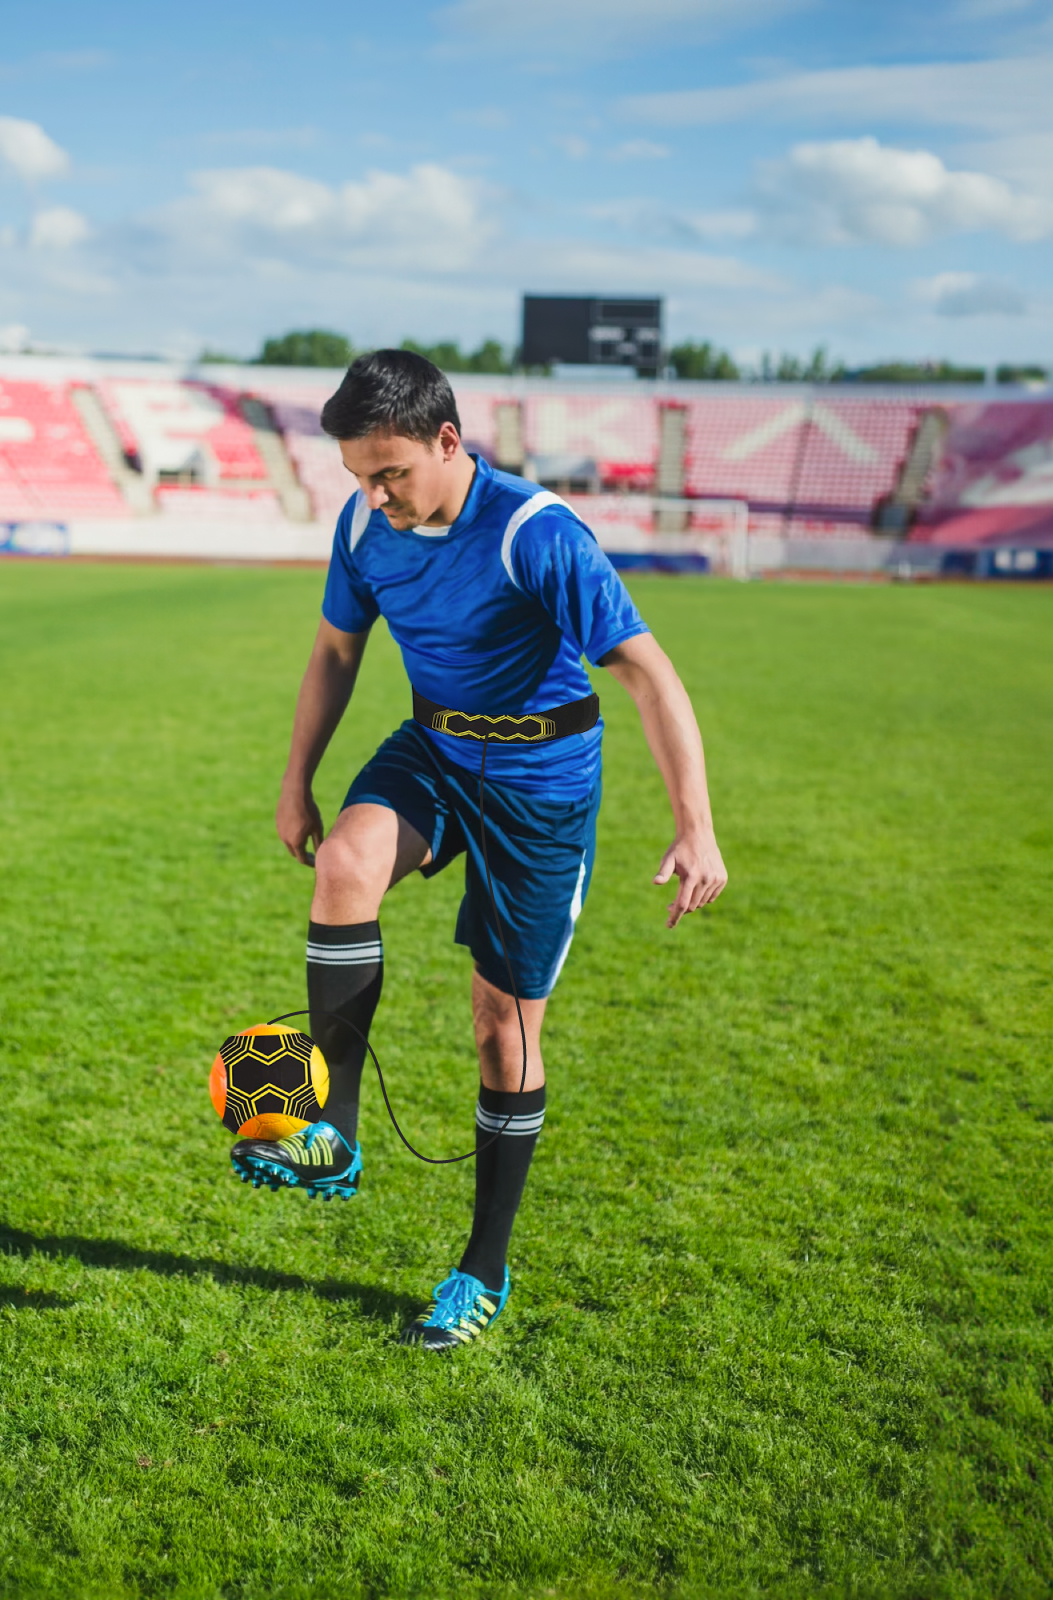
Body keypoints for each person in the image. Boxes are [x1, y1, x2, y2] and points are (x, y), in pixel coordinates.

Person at [230, 350, 727, 1351]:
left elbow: (647, 673)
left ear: (448, 441)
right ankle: (333, 1132)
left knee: (502, 1031)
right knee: (345, 866)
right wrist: (295, 782)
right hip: (436, 746)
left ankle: (481, 1268)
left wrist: (696, 824)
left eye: (391, 473)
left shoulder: (533, 534)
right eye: (360, 477)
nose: (376, 497)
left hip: (541, 784)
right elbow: (335, 651)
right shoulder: (363, 526)